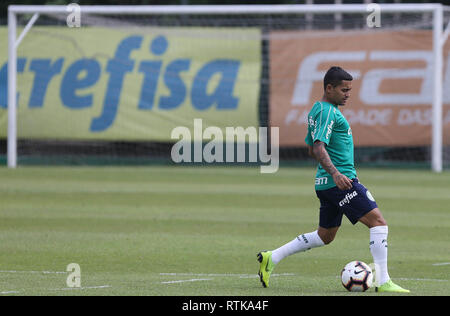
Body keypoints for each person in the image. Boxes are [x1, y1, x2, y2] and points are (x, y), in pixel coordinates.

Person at [257, 66, 409, 293]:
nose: (348, 94)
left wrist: (331, 171)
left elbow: (312, 148)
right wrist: (336, 173)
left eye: (349, 89)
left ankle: (272, 257)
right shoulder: (327, 111)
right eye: (343, 89)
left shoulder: (317, 110)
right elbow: (318, 147)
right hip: (340, 183)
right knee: (378, 223)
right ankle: (383, 280)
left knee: (325, 235)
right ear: (329, 88)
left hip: (326, 184)